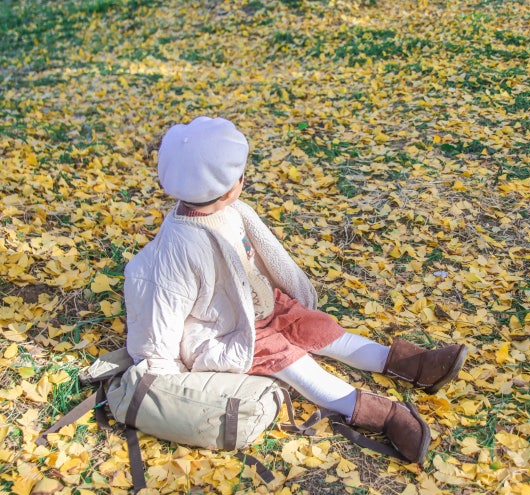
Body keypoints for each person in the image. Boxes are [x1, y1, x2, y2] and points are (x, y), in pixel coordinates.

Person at [123, 116, 468, 464]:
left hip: (264, 303)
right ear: (229, 188)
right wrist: (162, 372)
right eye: (241, 175)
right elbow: (161, 307)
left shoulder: (231, 211)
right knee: (294, 362)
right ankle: (381, 415)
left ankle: (409, 364)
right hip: (229, 331)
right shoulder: (179, 248)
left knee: (322, 330)